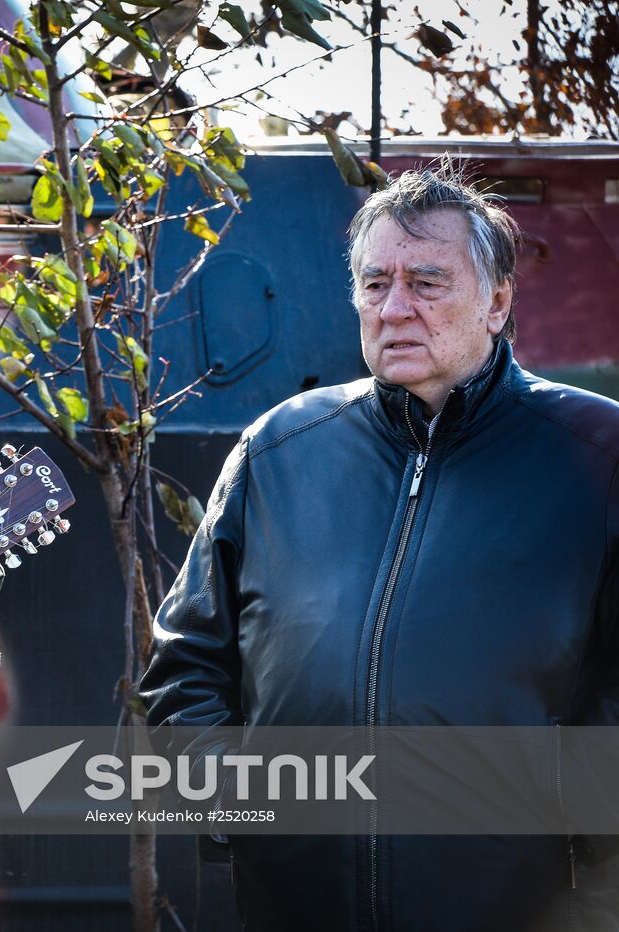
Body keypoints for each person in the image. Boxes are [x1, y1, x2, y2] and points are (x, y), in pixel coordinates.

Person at [141, 166, 619, 930]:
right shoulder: (279, 451)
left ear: (496, 302)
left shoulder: (597, 455)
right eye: (375, 284)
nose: (396, 309)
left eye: (428, 283)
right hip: (294, 906)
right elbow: (187, 661)